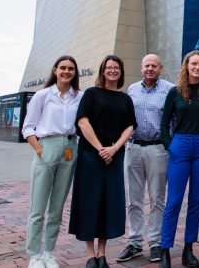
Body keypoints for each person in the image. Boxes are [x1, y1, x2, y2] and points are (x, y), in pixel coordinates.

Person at [69, 55, 137, 268]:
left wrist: (114, 148)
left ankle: (102, 253)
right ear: (103, 70)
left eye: (116, 67)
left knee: (108, 203)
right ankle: (90, 255)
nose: (112, 70)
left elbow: (130, 126)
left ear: (121, 71)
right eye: (109, 67)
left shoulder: (125, 99)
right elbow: (82, 122)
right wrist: (100, 149)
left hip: (114, 157)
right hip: (91, 156)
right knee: (89, 202)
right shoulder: (91, 94)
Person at [158, 50, 199, 268]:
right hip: (181, 146)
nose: (197, 68)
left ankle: (188, 249)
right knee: (174, 201)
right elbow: (164, 123)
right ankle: (165, 249)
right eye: (193, 64)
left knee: (196, 200)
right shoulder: (175, 92)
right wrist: (170, 145)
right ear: (186, 66)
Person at [22, 56, 83, 268]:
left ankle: (48, 252)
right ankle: (34, 254)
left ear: (75, 73)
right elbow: (28, 127)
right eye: (63, 68)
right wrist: (39, 149)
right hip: (47, 147)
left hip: (69, 148)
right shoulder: (43, 95)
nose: (67, 72)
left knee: (57, 206)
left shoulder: (79, 97)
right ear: (55, 70)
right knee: (38, 207)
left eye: (71, 69)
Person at [116, 54, 174, 264]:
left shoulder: (169, 89)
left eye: (154, 66)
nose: (150, 69)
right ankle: (134, 243)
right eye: (146, 65)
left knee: (157, 199)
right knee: (134, 199)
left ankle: (156, 243)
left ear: (161, 68)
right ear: (141, 68)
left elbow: (175, 119)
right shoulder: (132, 90)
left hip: (158, 149)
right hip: (134, 148)